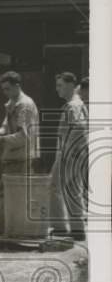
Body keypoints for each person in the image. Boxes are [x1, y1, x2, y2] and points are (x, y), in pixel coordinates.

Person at [0, 70, 40, 237]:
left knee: (11, 194)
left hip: (23, 156)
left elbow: (24, 137)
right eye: (3, 89)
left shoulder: (25, 106)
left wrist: (2, 140)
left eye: (7, 88)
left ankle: (3, 229)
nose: (5, 92)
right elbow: (6, 127)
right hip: (12, 155)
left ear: (17, 86)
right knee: (6, 193)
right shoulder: (12, 103)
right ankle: (1, 228)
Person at [50, 72, 88, 240]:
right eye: (57, 85)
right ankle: (77, 229)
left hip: (70, 153)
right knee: (72, 190)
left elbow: (79, 127)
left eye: (60, 85)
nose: (57, 89)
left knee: (54, 187)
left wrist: (67, 149)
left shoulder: (72, 105)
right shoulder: (77, 103)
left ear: (71, 85)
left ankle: (60, 227)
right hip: (77, 152)